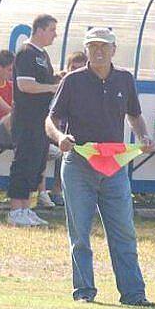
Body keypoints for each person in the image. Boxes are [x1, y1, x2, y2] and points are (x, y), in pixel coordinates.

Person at [46, 27, 155, 307]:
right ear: (86, 50)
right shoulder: (72, 81)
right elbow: (51, 119)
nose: (98, 51)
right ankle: (84, 292)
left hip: (114, 165)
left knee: (123, 232)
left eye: (103, 46)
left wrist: (143, 136)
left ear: (113, 50)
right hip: (78, 163)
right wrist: (61, 138)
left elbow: (135, 115)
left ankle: (134, 294)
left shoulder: (124, 79)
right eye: (93, 46)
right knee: (80, 234)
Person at [6, 14, 60, 227]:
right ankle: (15, 210)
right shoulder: (26, 52)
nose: (55, 35)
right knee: (23, 162)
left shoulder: (43, 55)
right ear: (40, 30)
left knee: (37, 163)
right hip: (26, 118)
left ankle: (27, 208)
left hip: (42, 119)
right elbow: (25, 85)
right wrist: (51, 88)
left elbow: (43, 81)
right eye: (52, 30)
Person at [39, 51, 88, 209]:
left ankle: (58, 191)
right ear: (67, 68)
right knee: (44, 149)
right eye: (72, 68)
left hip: (71, 134)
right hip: (49, 131)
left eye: (79, 69)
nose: (74, 72)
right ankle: (42, 193)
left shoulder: (87, 86)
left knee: (69, 150)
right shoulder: (59, 83)